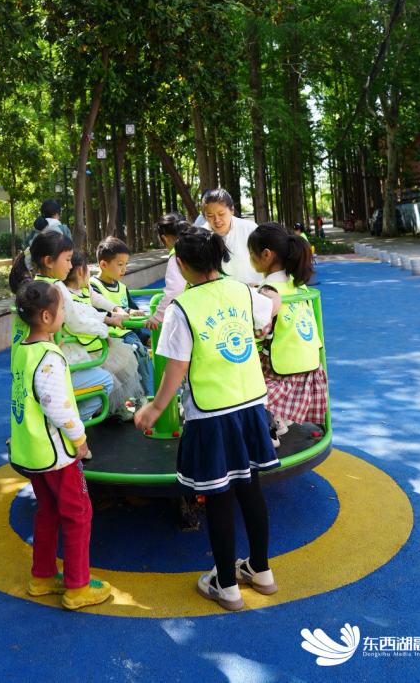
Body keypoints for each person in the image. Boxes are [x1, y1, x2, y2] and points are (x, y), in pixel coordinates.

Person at [134, 227, 281, 612]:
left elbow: (177, 367)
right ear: (219, 258)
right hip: (250, 407)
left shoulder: (181, 308)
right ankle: (261, 571)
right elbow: (270, 309)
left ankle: (227, 586)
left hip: (211, 414)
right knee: (251, 488)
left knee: (218, 496)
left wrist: (154, 408)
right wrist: (272, 294)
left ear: (181, 265)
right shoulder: (241, 291)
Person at [9, 279, 112, 610]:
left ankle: (42, 576)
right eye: (62, 309)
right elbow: (58, 407)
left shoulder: (22, 349)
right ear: (46, 316)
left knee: (49, 510)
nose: (65, 313)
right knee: (78, 513)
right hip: (57, 454)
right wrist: (79, 438)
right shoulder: (49, 357)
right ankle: (78, 586)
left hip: (32, 451)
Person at [9, 232, 123, 426]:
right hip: (63, 362)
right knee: (105, 381)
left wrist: (105, 317)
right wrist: (103, 329)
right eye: (68, 259)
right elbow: (75, 321)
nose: (71, 266)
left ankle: (62, 427)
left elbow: (77, 309)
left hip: (35, 362)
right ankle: (70, 429)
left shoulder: (34, 287)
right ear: (49, 261)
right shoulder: (56, 289)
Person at [247, 223, 328, 434]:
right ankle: (283, 415)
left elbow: (260, 332)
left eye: (252, 253)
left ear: (266, 254)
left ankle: (273, 424)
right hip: (310, 367)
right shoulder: (298, 284)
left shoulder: (268, 290)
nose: (250, 258)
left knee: (244, 366)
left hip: (281, 373)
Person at [64, 251, 146, 418]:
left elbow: (100, 301)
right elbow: (84, 318)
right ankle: (95, 414)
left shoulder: (86, 288)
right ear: (80, 271)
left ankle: (116, 407)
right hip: (83, 350)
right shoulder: (66, 295)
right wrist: (104, 327)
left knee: (121, 369)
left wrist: (116, 309)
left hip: (96, 346)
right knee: (109, 376)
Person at [90, 237, 151, 397]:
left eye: (126, 264)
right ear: (103, 265)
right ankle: (141, 397)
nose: (124, 269)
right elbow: (96, 310)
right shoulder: (93, 287)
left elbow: (133, 319)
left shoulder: (122, 288)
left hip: (126, 335)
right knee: (138, 351)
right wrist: (126, 311)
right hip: (107, 336)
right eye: (120, 264)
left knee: (141, 351)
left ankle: (140, 396)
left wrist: (144, 337)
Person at [200, 188, 261, 286]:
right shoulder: (200, 236)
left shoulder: (249, 229)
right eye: (210, 216)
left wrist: (261, 284)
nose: (217, 220)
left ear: (232, 210)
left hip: (252, 291)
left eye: (221, 214)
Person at [144, 213, 189, 330]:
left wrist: (158, 315)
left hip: (193, 311)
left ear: (165, 238)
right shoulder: (201, 246)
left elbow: (175, 288)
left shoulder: (177, 255)